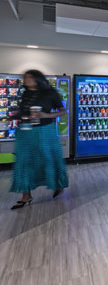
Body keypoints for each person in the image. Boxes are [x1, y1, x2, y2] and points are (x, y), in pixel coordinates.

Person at [10, 69, 69, 209]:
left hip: (45, 131)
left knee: (49, 158)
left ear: (38, 78)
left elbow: (63, 111)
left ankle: (58, 184)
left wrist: (45, 115)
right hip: (25, 131)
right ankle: (26, 195)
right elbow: (23, 111)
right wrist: (14, 116)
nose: (26, 79)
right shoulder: (25, 94)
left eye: (29, 77)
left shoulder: (51, 93)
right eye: (24, 77)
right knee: (24, 162)